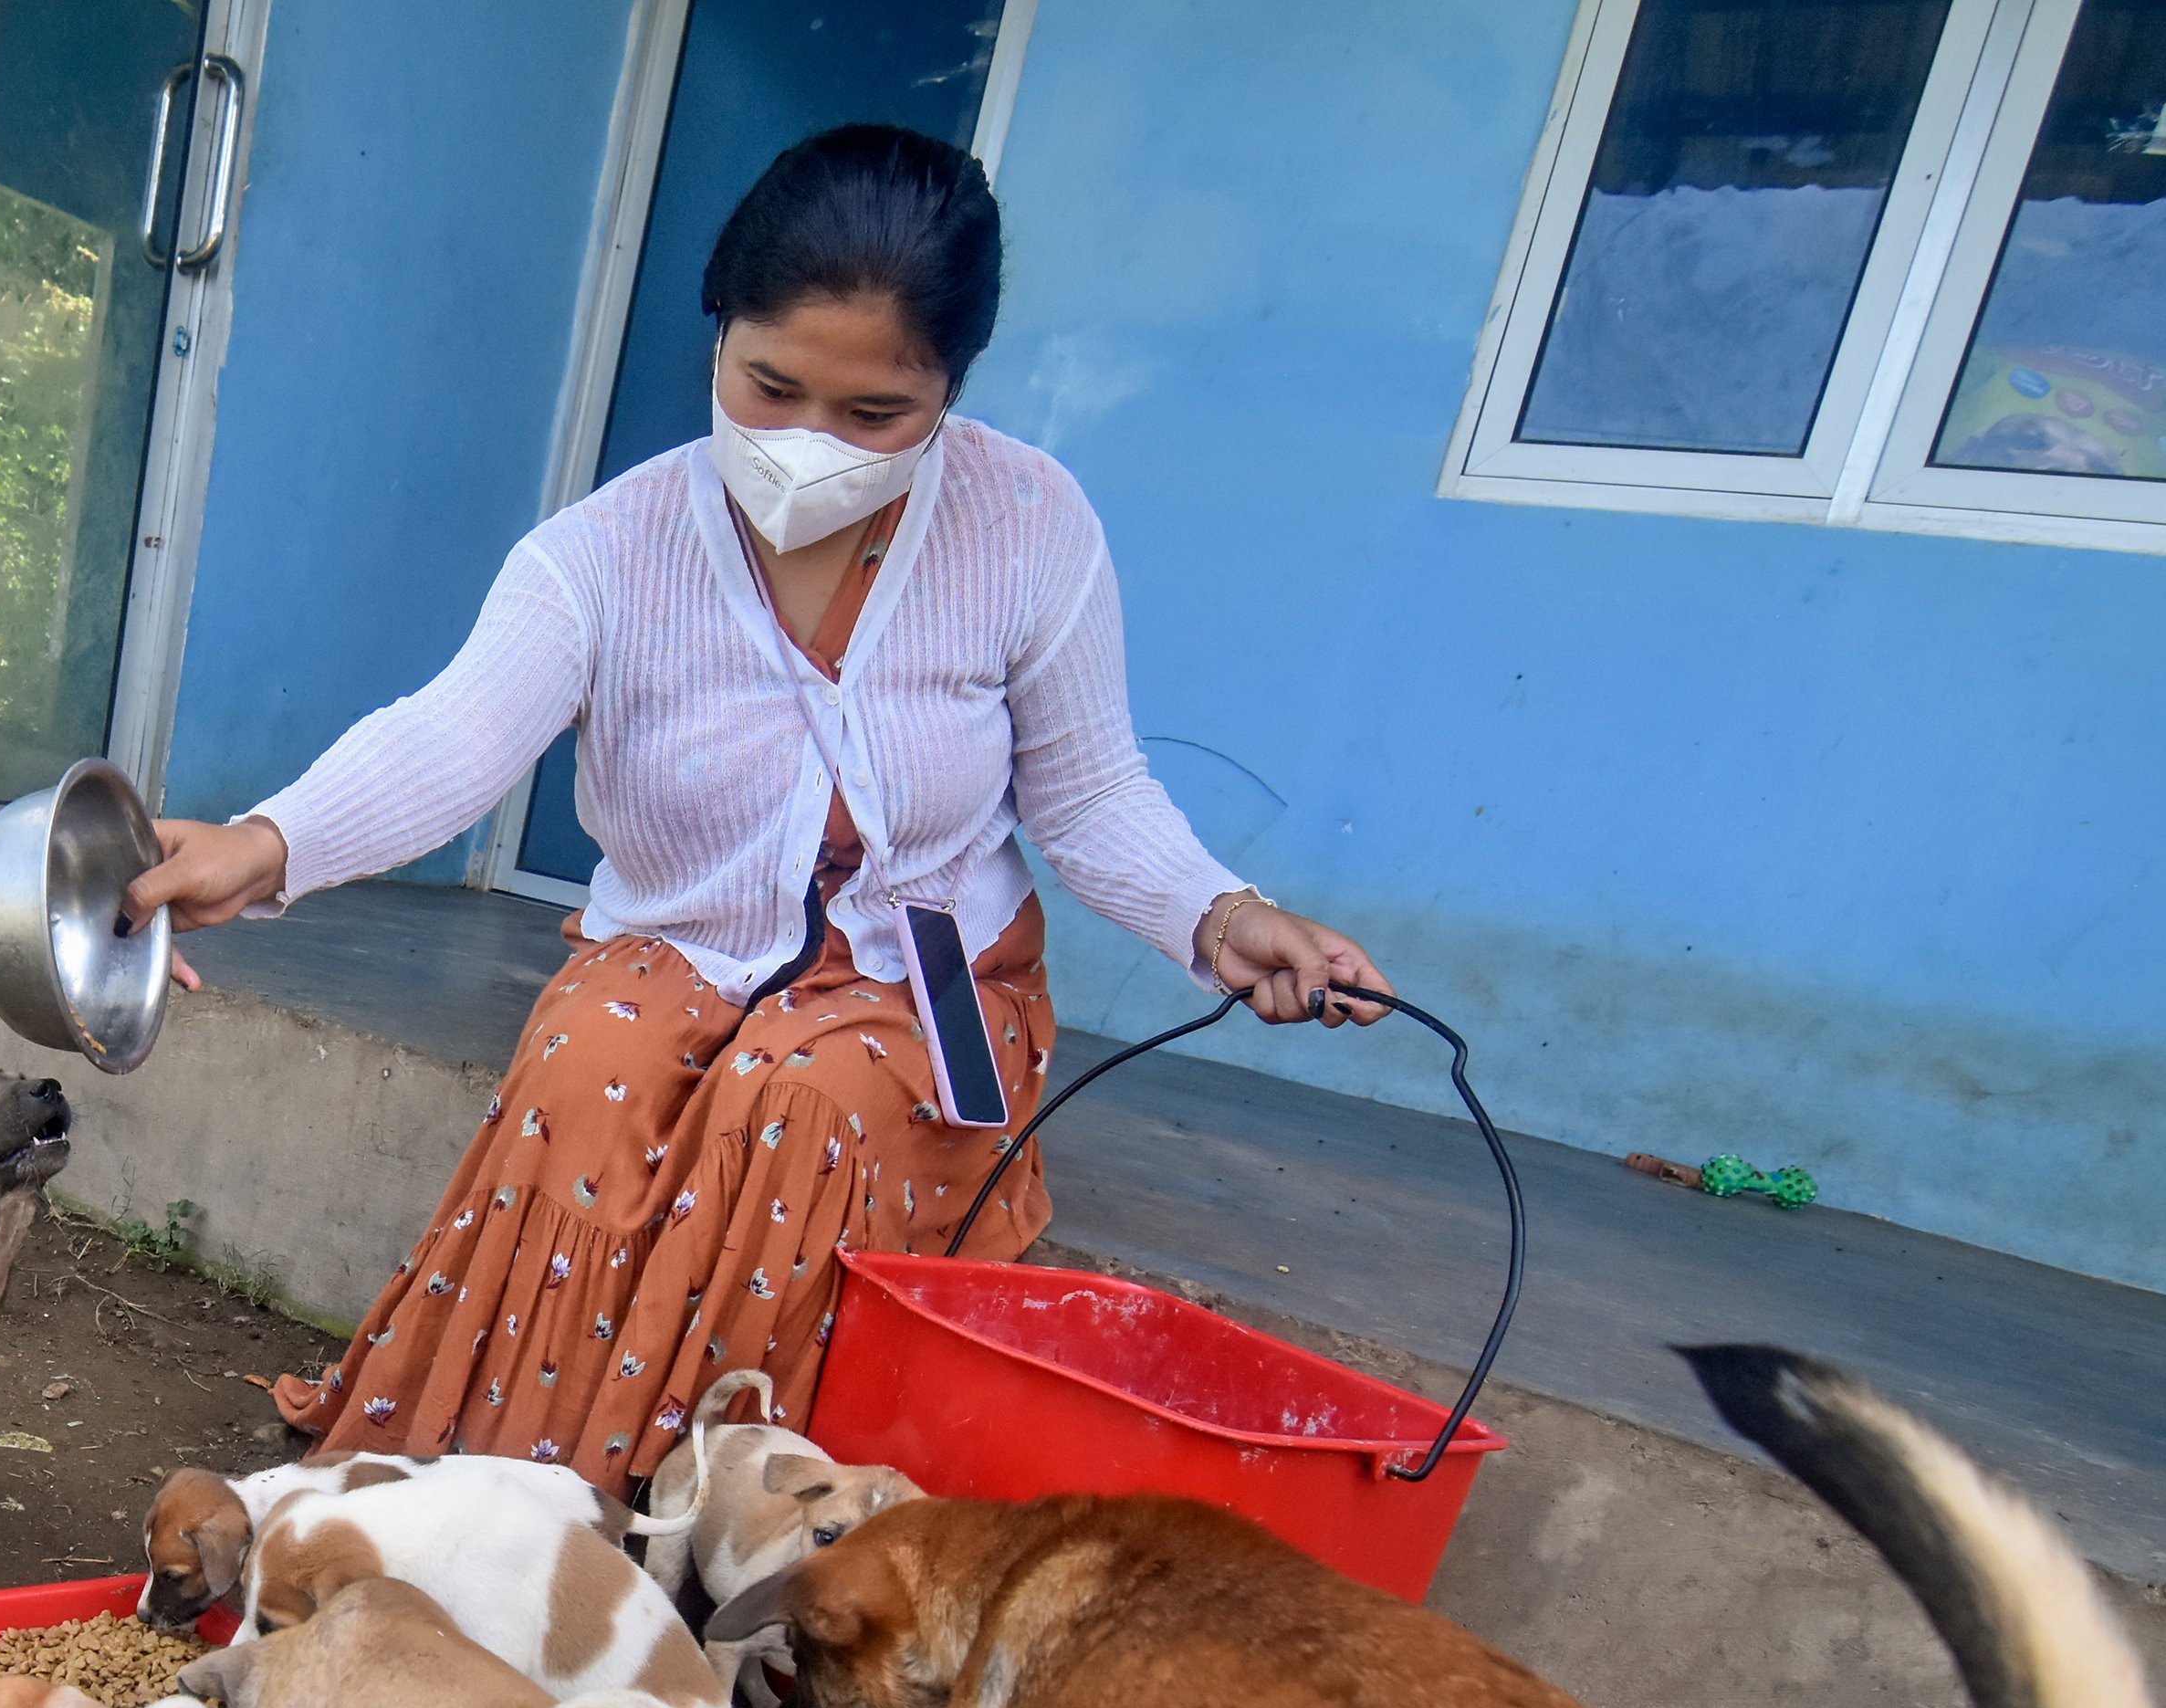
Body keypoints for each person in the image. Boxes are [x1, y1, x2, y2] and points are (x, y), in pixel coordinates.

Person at [122, 123, 1389, 1490]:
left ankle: (720, 1520)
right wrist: (270, 845)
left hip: (926, 989)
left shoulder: (1030, 523)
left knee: (797, 1098)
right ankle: (516, 1486)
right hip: (680, 948)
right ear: (717, 332)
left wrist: (1223, 913)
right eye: (771, 387)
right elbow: (455, 734)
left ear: (950, 391)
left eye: (873, 417)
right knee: (589, 1059)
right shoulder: (605, 553)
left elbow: (1087, 790)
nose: (808, 446)